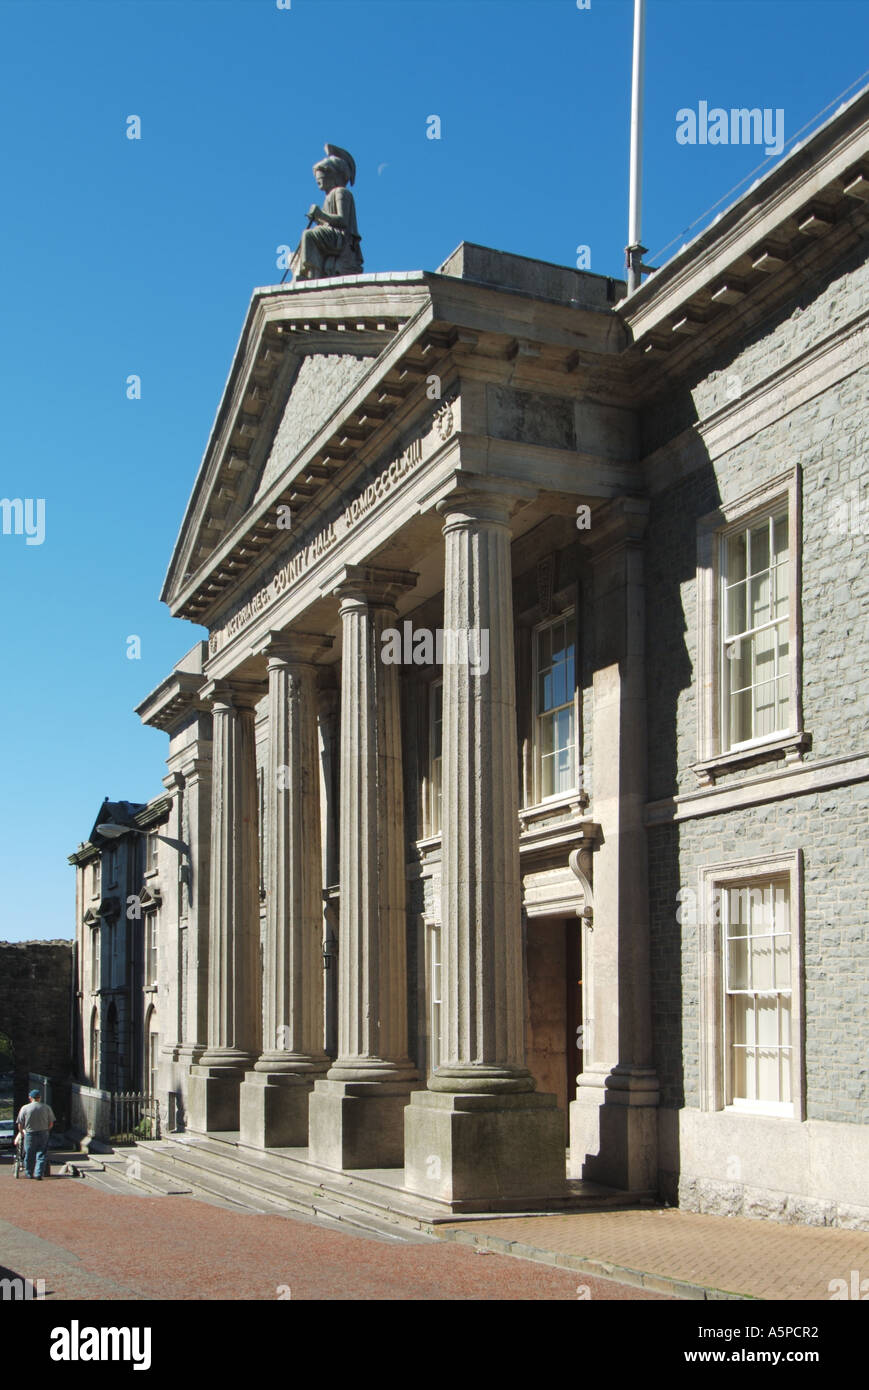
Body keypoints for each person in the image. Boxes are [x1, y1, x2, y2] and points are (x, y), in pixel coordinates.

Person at [295, 144, 362, 281]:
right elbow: (327, 220)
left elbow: (342, 220)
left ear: (332, 176)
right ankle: (310, 272)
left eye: (321, 178)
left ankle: (313, 274)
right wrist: (318, 219)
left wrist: (321, 215)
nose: (318, 181)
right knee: (305, 240)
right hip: (331, 234)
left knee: (308, 235)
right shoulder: (328, 197)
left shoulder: (341, 193)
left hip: (340, 237)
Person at [16, 1087, 55, 1180]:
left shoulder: (25, 1108)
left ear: (30, 1097)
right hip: (43, 1132)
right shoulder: (46, 1107)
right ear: (39, 1098)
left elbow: (20, 1123)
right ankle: (38, 1173)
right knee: (41, 1153)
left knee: (29, 1153)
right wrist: (46, 1129)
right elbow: (51, 1123)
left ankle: (29, 1173)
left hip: (30, 1133)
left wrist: (21, 1132)